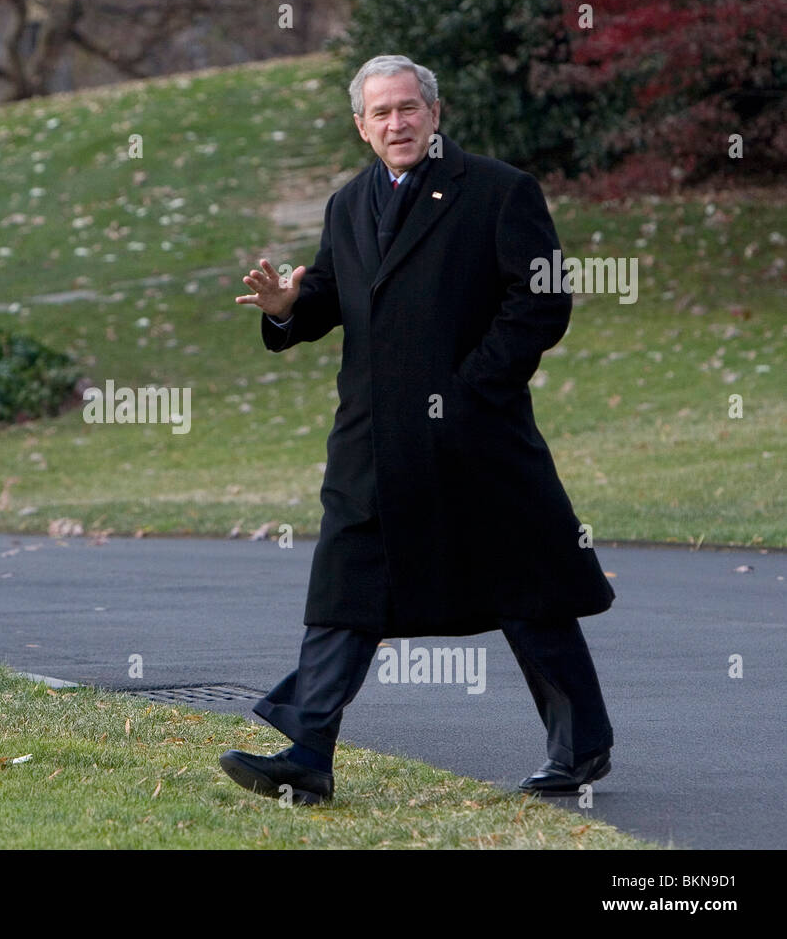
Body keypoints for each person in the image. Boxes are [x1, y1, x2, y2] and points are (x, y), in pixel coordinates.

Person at [223, 54, 616, 805]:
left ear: (435, 114)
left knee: (527, 590)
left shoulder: (501, 192)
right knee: (346, 593)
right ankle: (307, 751)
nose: (397, 123)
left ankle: (581, 747)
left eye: (409, 108)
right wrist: (283, 309)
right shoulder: (348, 205)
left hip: (478, 441)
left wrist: (468, 393)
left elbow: (541, 303)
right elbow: (327, 300)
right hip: (371, 443)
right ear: (361, 127)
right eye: (382, 114)